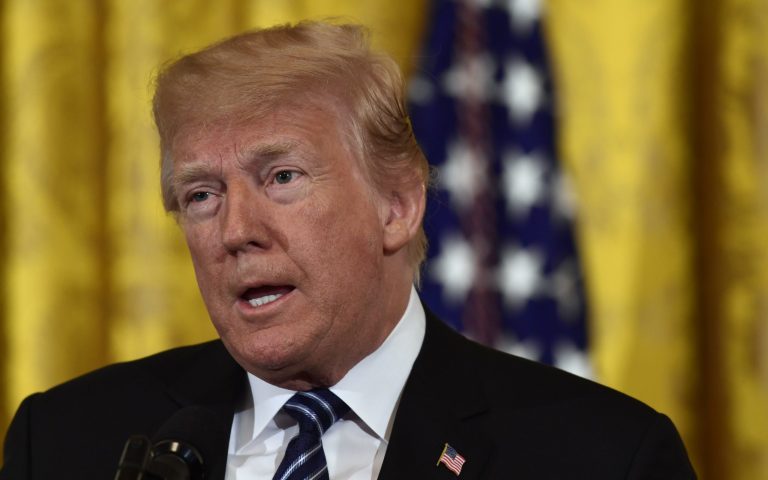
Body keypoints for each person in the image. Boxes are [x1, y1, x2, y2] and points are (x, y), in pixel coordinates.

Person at [0, 21, 695, 479]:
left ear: (397, 206)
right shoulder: (67, 442)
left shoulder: (601, 458)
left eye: (282, 177)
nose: (236, 230)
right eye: (202, 195)